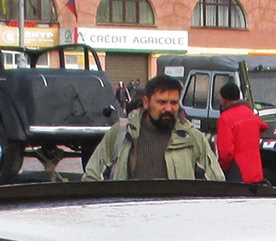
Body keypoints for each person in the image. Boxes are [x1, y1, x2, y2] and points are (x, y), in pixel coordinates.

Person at [84, 74, 223, 180]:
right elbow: (93, 176)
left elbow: (216, 182)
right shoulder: (121, 133)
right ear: (146, 102)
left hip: (177, 210)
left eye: (174, 103)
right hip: (130, 210)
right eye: (162, 102)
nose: (168, 108)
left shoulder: (192, 137)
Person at [214, 81, 264, 183]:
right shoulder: (250, 113)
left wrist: (220, 169)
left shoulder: (225, 118)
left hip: (237, 175)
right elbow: (263, 126)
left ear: (224, 100)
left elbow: (226, 153)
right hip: (255, 172)